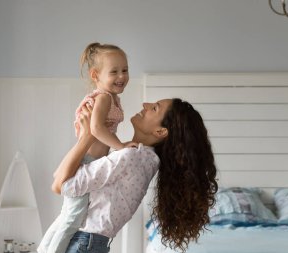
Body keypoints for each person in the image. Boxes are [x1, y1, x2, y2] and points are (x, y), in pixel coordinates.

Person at [52, 98, 218, 252]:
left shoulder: (131, 157)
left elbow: (63, 185)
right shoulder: (146, 160)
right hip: (91, 243)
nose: (145, 104)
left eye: (154, 108)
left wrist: (87, 137)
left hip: (83, 243)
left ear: (160, 131)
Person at [38, 42, 136, 253]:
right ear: (95, 75)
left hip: (90, 162)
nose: (122, 76)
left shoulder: (112, 97)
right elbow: (96, 129)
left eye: (125, 70)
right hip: (86, 162)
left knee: (69, 213)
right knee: (73, 217)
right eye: (114, 72)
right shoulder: (103, 98)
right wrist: (121, 147)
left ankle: (44, 248)